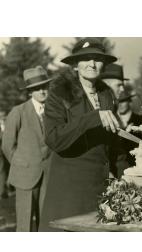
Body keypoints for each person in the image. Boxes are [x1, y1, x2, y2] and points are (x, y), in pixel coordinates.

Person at [39, 38, 120, 231]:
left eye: (97, 59)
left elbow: (113, 142)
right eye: (86, 59)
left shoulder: (107, 95)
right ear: (75, 64)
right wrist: (91, 118)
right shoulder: (60, 93)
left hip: (101, 187)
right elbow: (54, 138)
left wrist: (118, 173)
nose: (92, 64)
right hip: (70, 189)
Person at [2, 66, 52, 231]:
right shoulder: (18, 112)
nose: (42, 91)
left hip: (49, 175)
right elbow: (7, 145)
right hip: (25, 176)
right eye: (37, 88)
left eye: (45, 86)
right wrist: (21, 163)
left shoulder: (54, 111)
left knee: (46, 221)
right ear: (30, 92)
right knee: (25, 223)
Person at [113, 91, 142, 178]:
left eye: (123, 101)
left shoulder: (140, 120)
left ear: (129, 101)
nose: (120, 105)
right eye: (118, 102)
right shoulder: (112, 121)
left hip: (137, 167)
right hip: (117, 169)